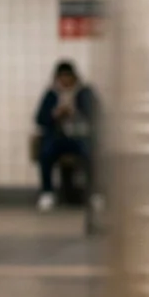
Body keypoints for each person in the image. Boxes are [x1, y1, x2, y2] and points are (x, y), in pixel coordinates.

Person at [33, 60, 98, 211]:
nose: (65, 80)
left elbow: (96, 114)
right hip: (58, 137)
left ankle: (94, 193)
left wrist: (77, 112)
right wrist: (55, 115)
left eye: (68, 76)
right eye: (62, 77)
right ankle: (47, 193)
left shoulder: (84, 92)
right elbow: (39, 119)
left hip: (80, 136)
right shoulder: (51, 94)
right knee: (46, 152)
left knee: (90, 153)